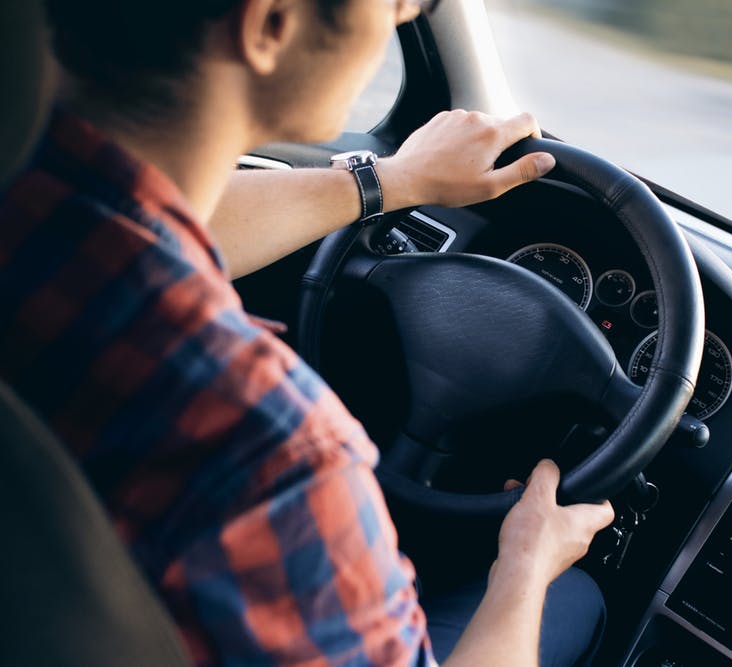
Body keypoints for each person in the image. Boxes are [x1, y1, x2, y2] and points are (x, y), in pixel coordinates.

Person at [0, 0, 616, 666]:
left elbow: (159, 223)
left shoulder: (31, 199)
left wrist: (395, 179)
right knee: (572, 597)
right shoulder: (270, 451)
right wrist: (525, 562)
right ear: (271, 23)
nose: (405, 12)